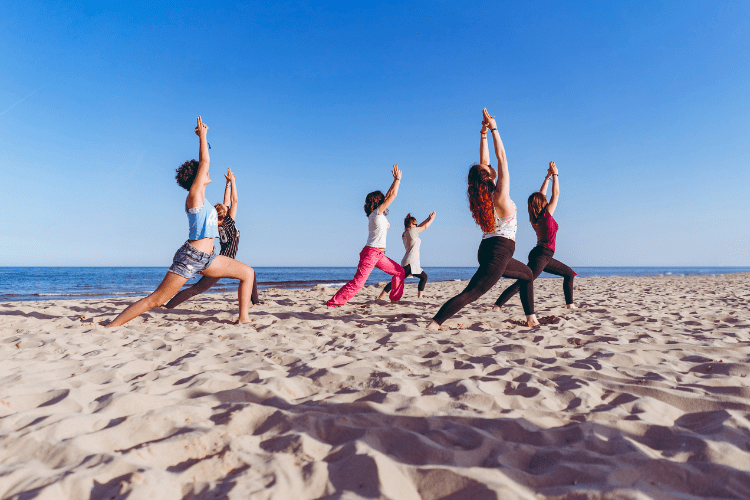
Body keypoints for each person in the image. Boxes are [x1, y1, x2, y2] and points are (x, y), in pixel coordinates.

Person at [106, 116, 256, 327]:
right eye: (203, 173)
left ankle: (244, 319)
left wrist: (230, 185)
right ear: (197, 177)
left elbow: (224, 195)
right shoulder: (194, 197)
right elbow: (205, 162)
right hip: (191, 257)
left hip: (209, 259)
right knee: (156, 300)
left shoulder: (204, 202)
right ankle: (110, 326)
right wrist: (203, 137)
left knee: (247, 273)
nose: (208, 172)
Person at [427, 109, 539, 330]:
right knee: (472, 292)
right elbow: (502, 158)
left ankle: (531, 318)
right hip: (499, 252)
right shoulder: (500, 196)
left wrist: (483, 134)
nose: (487, 164)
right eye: (486, 168)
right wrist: (495, 128)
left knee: (527, 275)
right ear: (487, 176)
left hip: (490, 249)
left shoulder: (484, 196)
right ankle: (434, 323)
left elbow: (486, 161)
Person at [164, 167, 262, 309]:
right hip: (221, 262)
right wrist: (233, 181)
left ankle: (256, 302)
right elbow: (234, 201)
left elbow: (227, 202)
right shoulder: (229, 222)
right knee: (197, 289)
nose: (227, 208)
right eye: (225, 209)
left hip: (222, 260)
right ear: (225, 215)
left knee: (250, 273)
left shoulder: (219, 223)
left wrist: (227, 184)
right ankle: (168, 307)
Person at [494, 161, 577, 310]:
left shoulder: (534, 216)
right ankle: (498, 305)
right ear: (541, 204)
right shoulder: (546, 215)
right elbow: (555, 194)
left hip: (544, 255)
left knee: (569, 273)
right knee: (525, 280)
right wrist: (556, 174)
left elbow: (541, 195)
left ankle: (570, 305)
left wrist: (548, 176)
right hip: (542, 255)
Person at [327, 165, 406, 307]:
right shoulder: (376, 213)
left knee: (399, 272)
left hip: (379, 254)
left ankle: (394, 299)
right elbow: (392, 196)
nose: (384, 200)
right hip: (371, 253)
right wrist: (398, 179)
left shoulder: (377, 213)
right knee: (358, 284)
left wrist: (394, 180)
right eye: (381, 199)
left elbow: (388, 195)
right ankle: (333, 303)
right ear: (377, 202)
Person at [379, 211, 435, 299]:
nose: (417, 226)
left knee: (399, 279)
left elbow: (419, 226)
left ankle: (381, 296)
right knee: (420, 277)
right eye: (415, 224)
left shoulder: (405, 233)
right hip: (411, 262)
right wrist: (432, 219)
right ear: (410, 225)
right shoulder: (412, 232)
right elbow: (424, 227)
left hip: (408, 261)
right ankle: (419, 297)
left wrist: (427, 219)